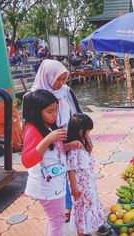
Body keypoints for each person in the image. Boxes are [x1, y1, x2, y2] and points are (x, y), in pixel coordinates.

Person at [21, 90, 83, 236]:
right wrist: (47, 139)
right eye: (50, 111)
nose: (54, 114)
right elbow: (27, 160)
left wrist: (68, 145)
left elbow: (54, 151)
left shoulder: (47, 126)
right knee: (57, 221)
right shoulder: (32, 130)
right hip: (46, 186)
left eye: (56, 110)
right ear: (36, 111)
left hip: (53, 182)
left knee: (52, 219)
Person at [29, 59, 84, 223]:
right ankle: (65, 206)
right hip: (49, 142)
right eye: (57, 79)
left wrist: (83, 135)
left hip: (67, 134)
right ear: (47, 77)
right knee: (57, 173)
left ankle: (77, 198)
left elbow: (77, 112)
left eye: (63, 79)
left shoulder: (66, 91)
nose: (60, 83)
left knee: (73, 169)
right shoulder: (34, 96)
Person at [66, 113, 109, 236]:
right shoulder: (73, 149)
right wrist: (74, 189)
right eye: (88, 130)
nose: (89, 133)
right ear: (81, 131)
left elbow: (90, 149)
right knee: (81, 209)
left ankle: (99, 225)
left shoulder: (82, 143)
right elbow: (71, 170)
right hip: (80, 187)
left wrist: (87, 137)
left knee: (94, 204)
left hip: (88, 184)